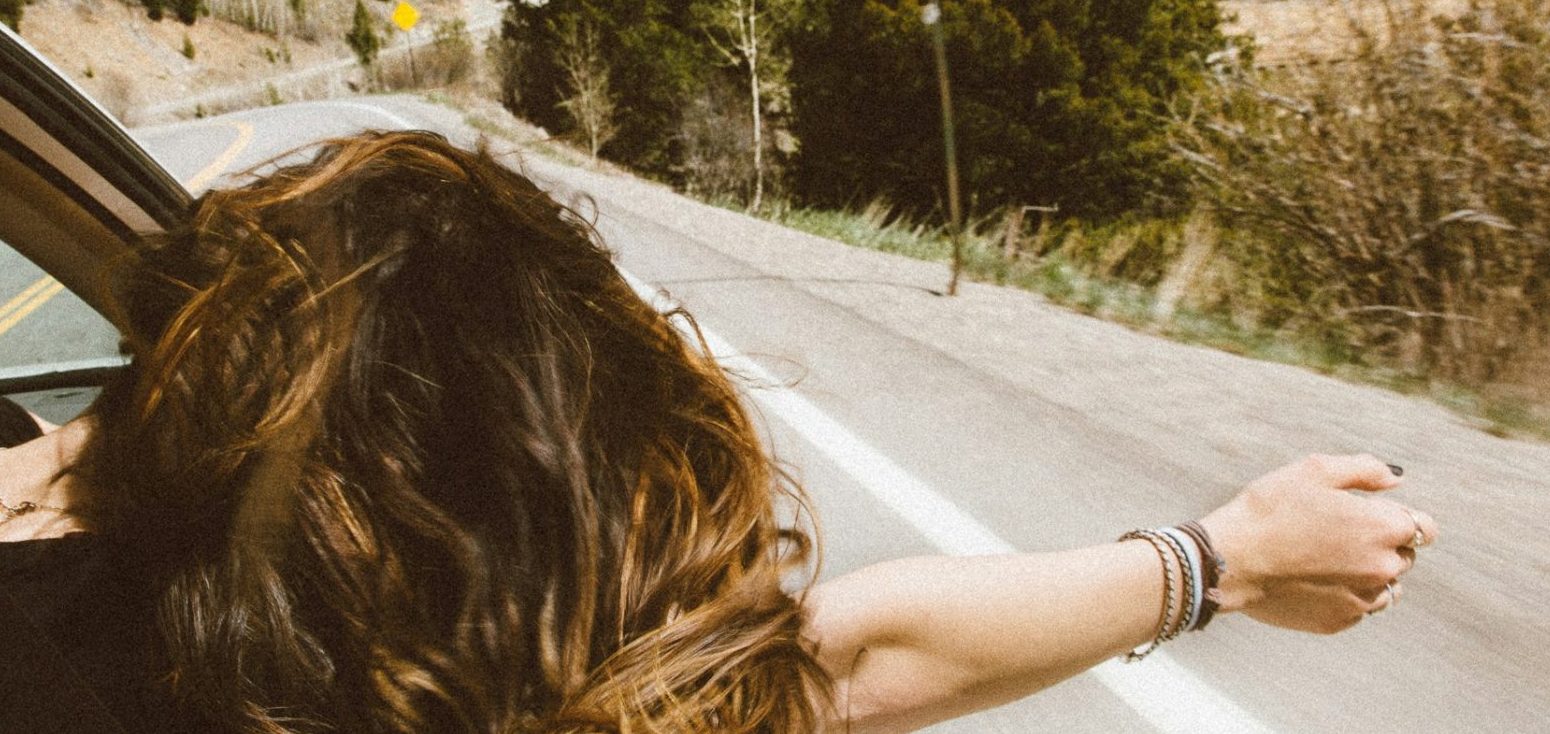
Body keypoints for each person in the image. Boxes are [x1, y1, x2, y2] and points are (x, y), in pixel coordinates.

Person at [0, 131, 1438, 733]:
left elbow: (822, 662)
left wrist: (1227, 558)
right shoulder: (414, 673)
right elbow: (827, 664)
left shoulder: (104, 604)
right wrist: (1222, 560)